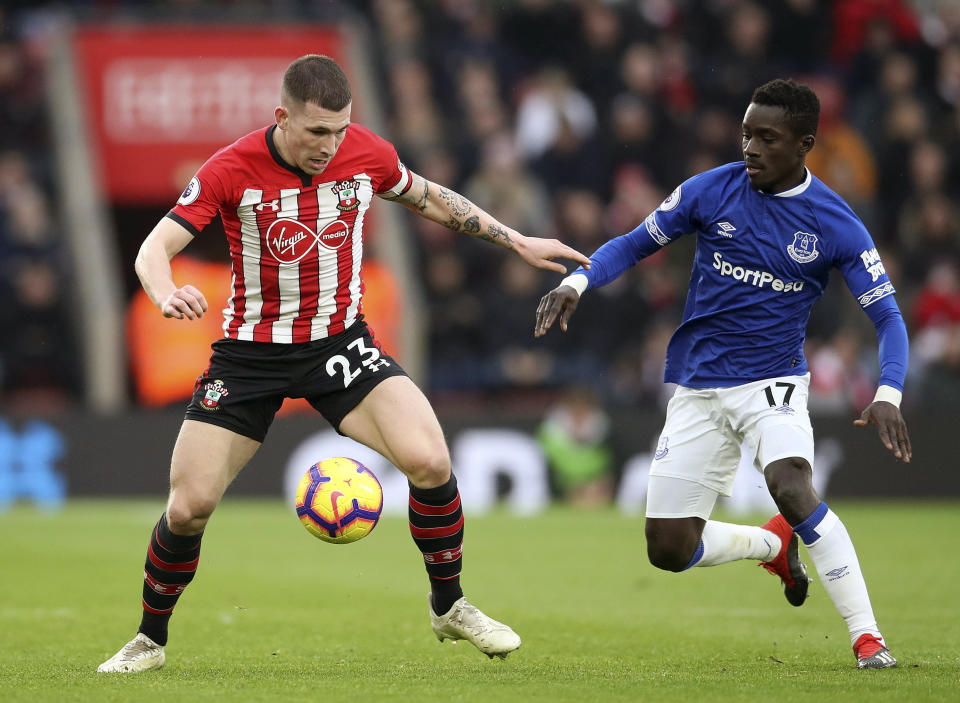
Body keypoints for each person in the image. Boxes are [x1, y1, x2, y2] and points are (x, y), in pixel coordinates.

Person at [97, 54, 590, 673]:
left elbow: (431, 199)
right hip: (249, 358)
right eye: (316, 132)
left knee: (431, 460)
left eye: (340, 130)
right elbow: (154, 248)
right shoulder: (231, 168)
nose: (331, 146)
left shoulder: (366, 152)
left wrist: (516, 239)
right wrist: (164, 292)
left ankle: (450, 605)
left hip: (339, 345)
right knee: (189, 506)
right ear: (282, 117)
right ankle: (149, 639)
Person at [535, 78, 910, 670]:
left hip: (774, 384)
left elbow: (887, 316)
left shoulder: (837, 224)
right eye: (746, 133)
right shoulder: (710, 191)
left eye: (768, 137)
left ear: (804, 144)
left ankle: (868, 640)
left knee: (791, 486)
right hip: (699, 385)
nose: (751, 148)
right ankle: (770, 544)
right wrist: (577, 280)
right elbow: (634, 244)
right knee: (668, 549)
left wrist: (888, 391)